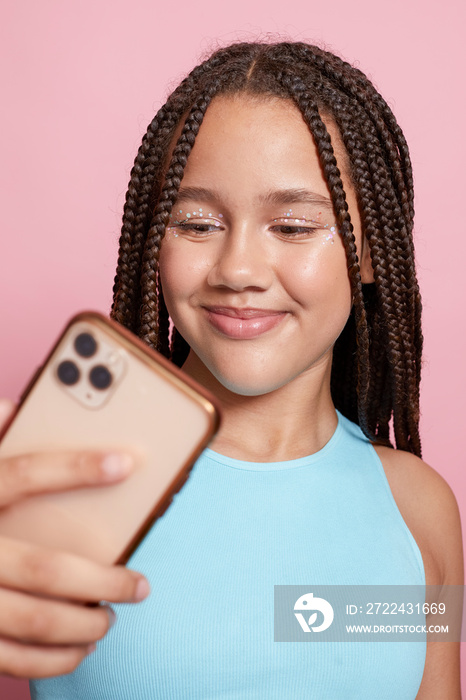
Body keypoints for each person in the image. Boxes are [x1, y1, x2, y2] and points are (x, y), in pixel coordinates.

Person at [0, 40, 462, 698]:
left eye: (295, 226)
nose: (238, 269)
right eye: (195, 223)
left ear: (366, 253)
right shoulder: (70, 475)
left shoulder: (420, 511)